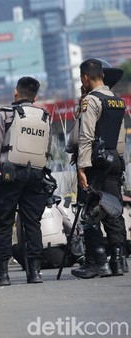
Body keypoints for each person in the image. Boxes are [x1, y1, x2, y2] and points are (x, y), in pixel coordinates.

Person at [0, 77, 51, 286]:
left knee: (3, 223)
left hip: (9, 175)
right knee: (32, 223)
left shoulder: (5, 114)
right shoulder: (44, 116)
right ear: (35, 97)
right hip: (36, 175)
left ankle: (3, 274)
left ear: (15, 93)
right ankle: (35, 272)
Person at [70, 59, 127, 278]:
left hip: (95, 163)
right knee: (113, 211)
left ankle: (98, 262)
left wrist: (82, 167)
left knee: (89, 213)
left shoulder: (91, 101)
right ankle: (119, 261)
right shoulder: (117, 100)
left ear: (85, 77)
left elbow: (85, 137)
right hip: (114, 160)